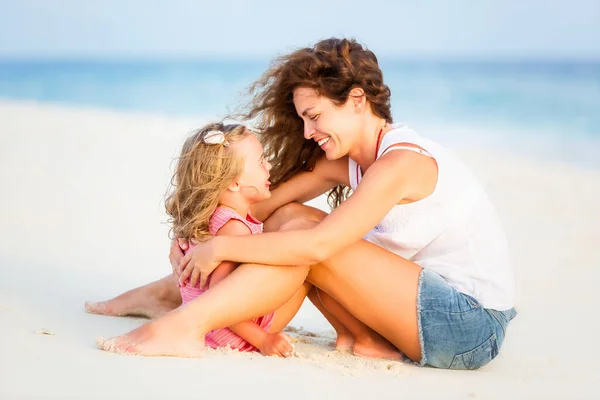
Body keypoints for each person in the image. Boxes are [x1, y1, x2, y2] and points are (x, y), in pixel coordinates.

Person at [94, 37, 516, 369]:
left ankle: (186, 320)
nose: (308, 130)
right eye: (301, 119)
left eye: (314, 115)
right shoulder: (346, 163)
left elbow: (316, 248)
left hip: (469, 326)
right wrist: (191, 240)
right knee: (289, 218)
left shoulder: (400, 163)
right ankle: (359, 338)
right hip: (417, 310)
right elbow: (257, 209)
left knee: (304, 237)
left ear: (355, 100)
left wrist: (218, 247)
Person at [93, 121, 403, 359]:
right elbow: (221, 298)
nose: (268, 167)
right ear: (236, 181)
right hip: (234, 330)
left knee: (300, 239)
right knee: (309, 258)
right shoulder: (233, 230)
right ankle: (361, 337)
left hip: (224, 322)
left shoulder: (215, 218)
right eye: (261, 162)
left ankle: (357, 336)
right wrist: (263, 339)